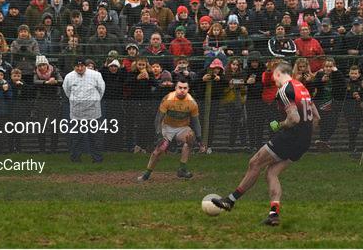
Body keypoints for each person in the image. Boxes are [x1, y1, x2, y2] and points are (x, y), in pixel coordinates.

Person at [212, 61, 320, 226]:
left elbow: (294, 118)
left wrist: (280, 125)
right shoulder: (301, 87)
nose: (273, 80)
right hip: (304, 140)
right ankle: (273, 214)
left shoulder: (284, 89)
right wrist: (305, 136)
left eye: (273, 75)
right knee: (271, 173)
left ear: (279, 74)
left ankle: (230, 201)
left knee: (255, 162)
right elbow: (317, 118)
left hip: (290, 136)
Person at [137, 79, 205, 181]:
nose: (182, 90)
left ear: (188, 89)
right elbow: (158, 119)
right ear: (175, 88)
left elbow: (196, 122)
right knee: (159, 150)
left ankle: (182, 169)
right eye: (180, 88)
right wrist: (159, 135)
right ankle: (146, 174)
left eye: (185, 88)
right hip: (167, 127)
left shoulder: (192, 103)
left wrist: (199, 140)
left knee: (190, 137)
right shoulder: (168, 99)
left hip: (182, 128)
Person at [62, 57, 105, 163]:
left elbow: (101, 89)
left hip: (93, 112)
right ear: (74, 67)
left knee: (95, 138)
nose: (80, 68)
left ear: (85, 66)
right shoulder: (69, 77)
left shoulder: (96, 75)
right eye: (77, 66)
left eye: (82, 66)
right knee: (76, 138)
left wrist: (93, 101)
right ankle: (75, 159)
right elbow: (67, 91)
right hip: (76, 113)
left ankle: (97, 159)